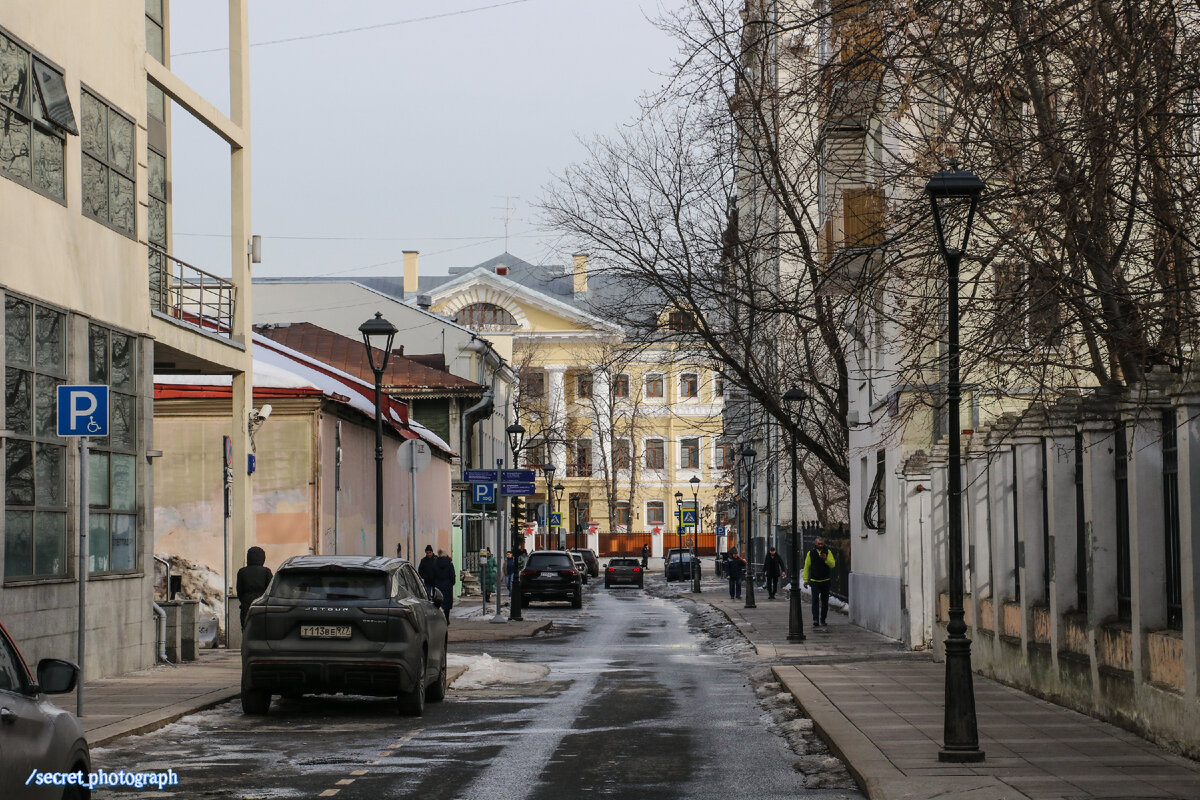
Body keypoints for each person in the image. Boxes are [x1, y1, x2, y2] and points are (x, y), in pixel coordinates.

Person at [236, 546, 272, 629]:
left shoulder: (242, 572)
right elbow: (270, 589)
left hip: (246, 604)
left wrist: (244, 600)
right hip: (262, 604)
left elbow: (239, 590)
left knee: (246, 628)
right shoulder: (266, 571)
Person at [803, 537, 837, 627]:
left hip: (825, 580)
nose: (820, 545)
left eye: (822, 544)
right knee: (815, 600)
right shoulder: (811, 553)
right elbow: (806, 567)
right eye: (819, 544)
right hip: (814, 580)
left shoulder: (828, 552)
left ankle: (823, 619)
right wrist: (806, 580)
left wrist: (826, 559)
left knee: (825, 601)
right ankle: (815, 619)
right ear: (815, 544)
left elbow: (833, 564)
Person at [432, 549, 456, 622]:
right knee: (447, 604)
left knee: (439, 603)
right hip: (447, 586)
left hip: (438, 585)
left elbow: (433, 575)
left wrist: (434, 584)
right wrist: (452, 583)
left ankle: (440, 619)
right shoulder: (449, 564)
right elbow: (452, 576)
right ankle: (447, 619)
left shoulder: (435, 563)